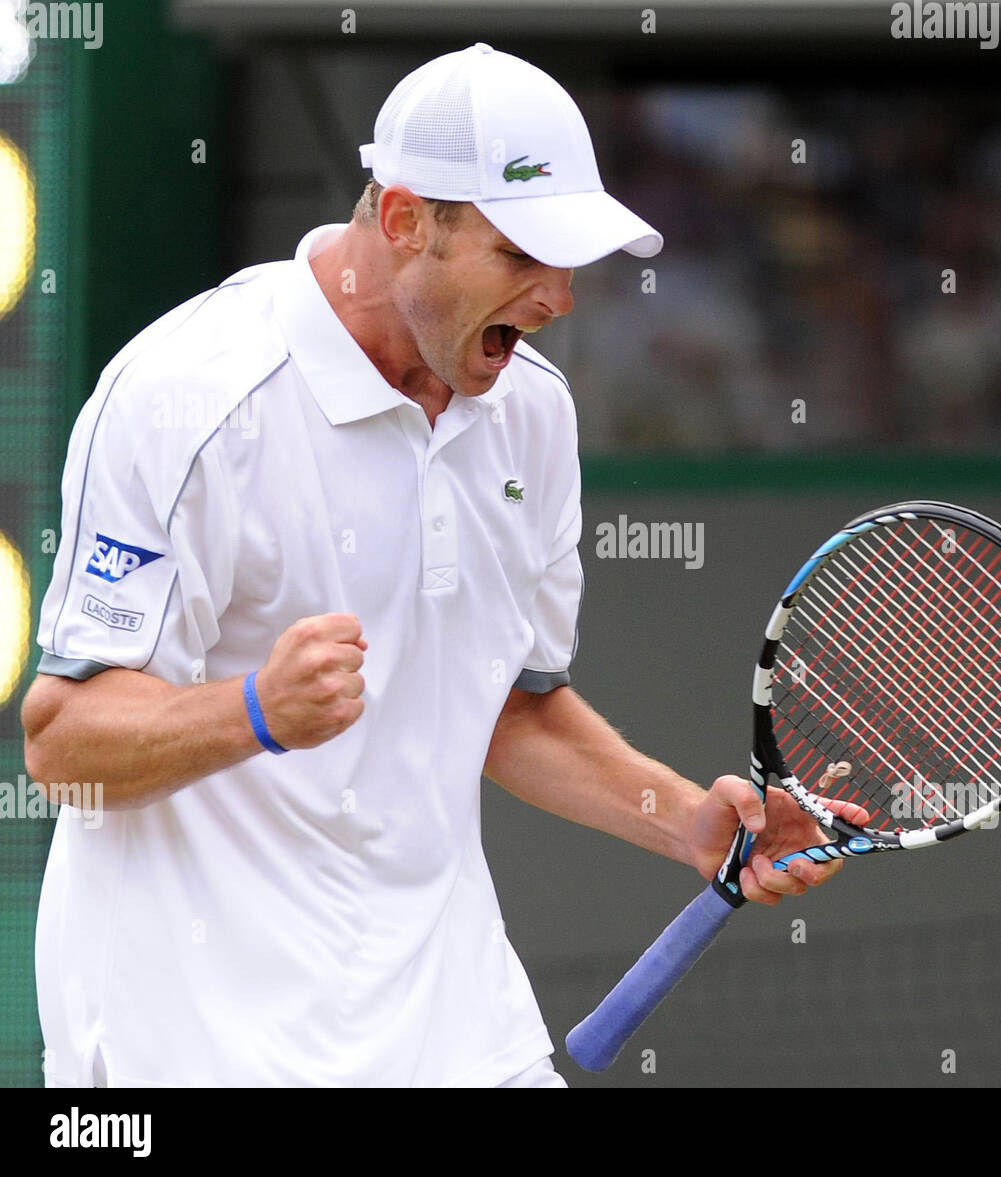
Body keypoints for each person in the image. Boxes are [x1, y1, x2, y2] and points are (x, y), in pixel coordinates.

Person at [21, 43, 841, 1088]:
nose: (558, 298)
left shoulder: (533, 413)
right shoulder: (184, 396)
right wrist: (256, 711)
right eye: (519, 256)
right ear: (404, 221)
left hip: (456, 1039)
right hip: (194, 1049)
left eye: (568, 260)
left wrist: (683, 817)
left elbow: (514, 708)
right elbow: (62, 745)